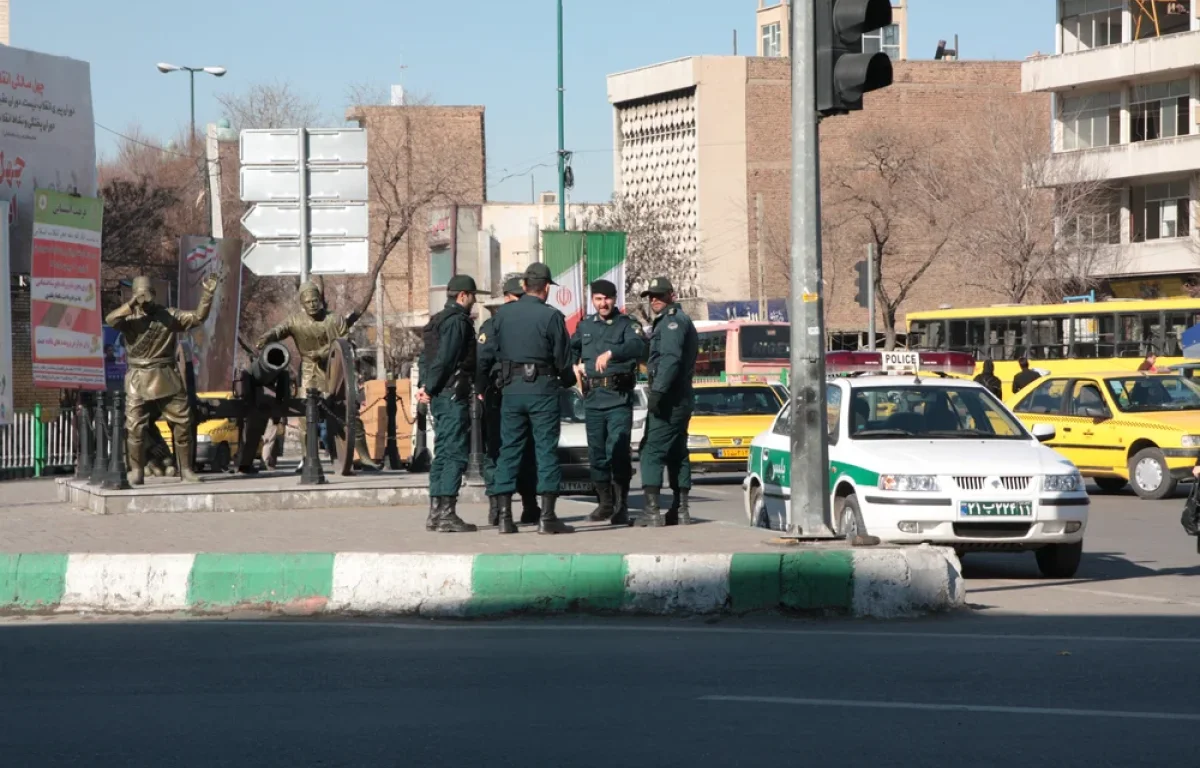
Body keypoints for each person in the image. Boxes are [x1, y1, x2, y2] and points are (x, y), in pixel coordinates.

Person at [105, 272, 221, 484]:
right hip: (138, 378)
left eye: (147, 294)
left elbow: (198, 317)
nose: (144, 299)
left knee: (183, 422)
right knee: (134, 427)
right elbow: (110, 319)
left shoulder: (169, 316)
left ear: (155, 295)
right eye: (139, 294)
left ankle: (185, 469)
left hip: (166, 375)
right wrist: (132, 304)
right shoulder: (129, 319)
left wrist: (208, 293)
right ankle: (137, 471)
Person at [255, 282, 380, 473]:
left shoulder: (335, 320)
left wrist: (323, 352)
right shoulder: (295, 321)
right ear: (302, 304)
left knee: (348, 413)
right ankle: (307, 459)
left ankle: (365, 457)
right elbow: (279, 330)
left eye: (315, 300)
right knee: (306, 416)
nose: (312, 304)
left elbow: (346, 343)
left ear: (320, 300)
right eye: (308, 302)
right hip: (309, 372)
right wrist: (266, 337)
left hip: (335, 371)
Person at [488, 262, 575, 534]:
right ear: (546, 287)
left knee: (509, 450)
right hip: (543, 390)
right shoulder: (551, 317)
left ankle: (504, 517)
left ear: (524, 286)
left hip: (511, 391)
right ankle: (547, 518)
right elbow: (563, 360)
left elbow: (492, 352)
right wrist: (569, 381)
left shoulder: (502, 316)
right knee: (545, 450)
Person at [570, 278, 647, 525]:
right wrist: (573, 366)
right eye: (598, 299)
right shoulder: (585, 326)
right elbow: (572, 348)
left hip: (617, 398)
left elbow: (638, 346)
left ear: (615, 299)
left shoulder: (627, 325)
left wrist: (613, 352)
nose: (603, 304)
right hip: (592, 400)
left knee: (618, 450)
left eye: (608, 299)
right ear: (593, 300)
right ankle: (604, 504)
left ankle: (621, 505)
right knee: (597, 454)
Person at [416, 274, 484, 534]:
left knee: (442, 452)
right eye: (473, 296)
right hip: (452, 394)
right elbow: (445, 359)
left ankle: (435, 512)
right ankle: (446, 513)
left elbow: (426, 358)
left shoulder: (436, 321)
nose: (474, 302)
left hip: (440, 395)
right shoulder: (457, 322)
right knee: (454, 452)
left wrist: (425, 386)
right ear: (463, 296)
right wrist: (430, 388)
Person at [476, 276, 540, 526]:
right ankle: (497, 507)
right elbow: (483, 357)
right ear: (507, 298)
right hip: (499, 394)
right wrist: (481, 388)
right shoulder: (493, 325)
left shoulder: (516, 323)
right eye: (516, 299)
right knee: (498, 449)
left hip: (519, 392)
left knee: (525, 450)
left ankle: (528, 505)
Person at [637, 277, 699, 528]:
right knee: (677, 451)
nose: (654, 300)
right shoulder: (672, 321)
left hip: (670, 398)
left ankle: (652, 512)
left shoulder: (672, 321)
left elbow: (671, 360)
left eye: (660, 296)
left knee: (651, 450)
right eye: (651, 296)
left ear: (672, 296)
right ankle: (680, 510)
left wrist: (658, 393)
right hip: (680, 396)